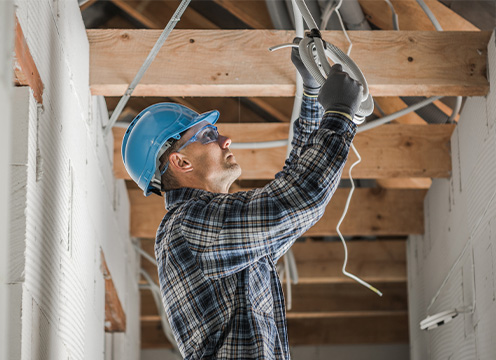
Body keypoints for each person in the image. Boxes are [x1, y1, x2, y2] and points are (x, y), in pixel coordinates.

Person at [121, 39, 363, 360]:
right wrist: (339, 114)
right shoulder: (190, 225)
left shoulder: (209, 229)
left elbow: (292, 184)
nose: (225, 139)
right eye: (208, 136)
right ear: (181, 162)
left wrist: (311, 95)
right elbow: (300, 198)